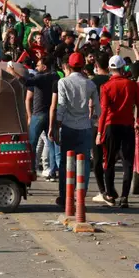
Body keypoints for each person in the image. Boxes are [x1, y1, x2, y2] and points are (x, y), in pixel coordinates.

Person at [50, 52, 100, 205]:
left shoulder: (63, 82)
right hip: (84, 127)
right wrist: (92, 122)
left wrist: (56, 126)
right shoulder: (90, 84)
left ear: (69, 66)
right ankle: (81, 196)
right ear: (82, 66)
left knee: (66, 163)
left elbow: (62, 105)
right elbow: (97, 109)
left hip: (68, 126)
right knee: (84, 163)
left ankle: (65, 196)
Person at [95, 55, 139, 208]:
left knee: (109, 161)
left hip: (110, 126)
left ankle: (109, 194)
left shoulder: (106, 87)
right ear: (123, 68)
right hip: (127, 126)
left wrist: (99, 133)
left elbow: (104, 111)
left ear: (110, 69)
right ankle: (124, 197)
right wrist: (138, 123)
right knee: (128, 163)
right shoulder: (132, 85)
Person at [89, 52, 111, 202]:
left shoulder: (93, 82)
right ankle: (110, 191)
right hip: (112, 122)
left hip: (97, 123)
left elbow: (90, 104)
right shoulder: (112, 80)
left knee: (96, 158)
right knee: (109, 157)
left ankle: (102, 190)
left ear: (96, 66)